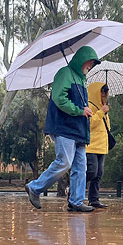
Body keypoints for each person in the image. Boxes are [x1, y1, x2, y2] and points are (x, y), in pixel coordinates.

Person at [24, 45, 101, 212]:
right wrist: (80, 110)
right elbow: (59, 98)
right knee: (64, 162)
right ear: (81, 59)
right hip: (64, 128)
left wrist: (85, 111)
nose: (90, 66)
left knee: (81, 167)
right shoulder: (65, 73)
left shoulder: (82, 79)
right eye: (89, 62)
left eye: (93, 64)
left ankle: (76, 201)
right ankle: (35, 187)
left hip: (79, 131)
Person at [85, 82, 111, 208]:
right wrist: (101, 112)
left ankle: (94, 199)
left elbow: (107, 128)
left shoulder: (103, 107)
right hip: (91, 146)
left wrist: (104, 112)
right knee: (91, 172)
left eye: (106, 92)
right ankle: (73, 190)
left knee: (98, 174)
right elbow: (89, 125)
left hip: (102, 146)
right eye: (102, 92)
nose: (104, 95)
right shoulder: (89, 105)